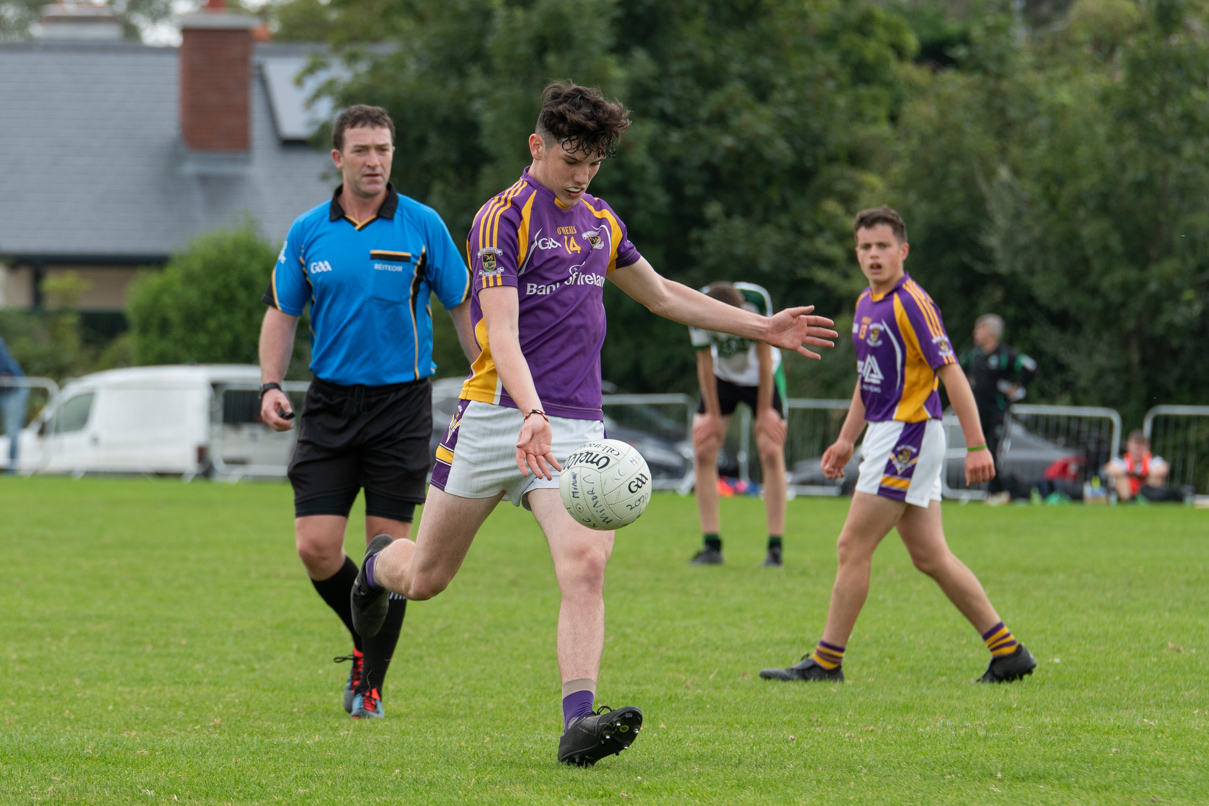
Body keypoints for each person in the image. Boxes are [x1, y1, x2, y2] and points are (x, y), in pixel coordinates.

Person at [348, 82, 837, 766]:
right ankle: (374, 566)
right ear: (536, 146)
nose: (580, 177)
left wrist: (763, 327)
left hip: (573, 432)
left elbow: (663, 296)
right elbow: (503, 334)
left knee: (584, 566)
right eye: (570, 160)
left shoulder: (600, 222)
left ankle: (578, 722)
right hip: (496, 418)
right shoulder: (502, 217)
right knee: (425, 576)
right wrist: (530, 413)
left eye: (593, 164)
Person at [258, 104, 478, 721]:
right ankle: (363, 634)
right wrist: (271, 383)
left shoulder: (423, 225)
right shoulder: (308, 232)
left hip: (400, 407)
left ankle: (371, 684)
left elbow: (463, 305)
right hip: (329, 404)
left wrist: (495, 380)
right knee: (316, 548)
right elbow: (282, 311)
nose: (375, 160)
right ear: (338, 159)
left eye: (383, 148)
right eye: (362, 150)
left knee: (393, 551)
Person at [759, 206, 1036, 686]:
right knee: (929, 555)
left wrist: (976, 445)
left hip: (908, 433)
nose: (873, 255)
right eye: (865, 247)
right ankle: (1007, 651)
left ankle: (826, 662)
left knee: (852, 544)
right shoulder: (867, 303)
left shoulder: (912, 302)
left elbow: (951, 372)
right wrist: (847, 438)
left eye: (883, 246)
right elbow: (869, 381)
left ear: (902, 250)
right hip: (890, 433)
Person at [687, 281, 789, 567]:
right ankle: (711, 545)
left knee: (770, 448)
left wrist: (765, 410)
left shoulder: (756, 298)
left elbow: (765, 353)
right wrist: (713, 418)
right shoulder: (695, 307)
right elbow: (705, 361)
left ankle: (775, 548)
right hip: (722, 378)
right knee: (704, 448)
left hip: (762, 377)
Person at [961, 314, 1036, 504]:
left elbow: (1030, 366)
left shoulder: (1005, 355)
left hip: (997, 412)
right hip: (977, 413)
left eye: (980, 329)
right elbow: (958, 368)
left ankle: (998, 492)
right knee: (980, 449)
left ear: (991, 332)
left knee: (993, 451)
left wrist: (1018, 389)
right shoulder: (974, 354)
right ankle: (992, 492)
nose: (975, 333)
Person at [1104, 430, 1186, 503]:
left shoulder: (1153, 459)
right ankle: (1128, 501)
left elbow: (1164, 468)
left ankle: (1151, 498)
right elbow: (1109, 468)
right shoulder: (1121, 460)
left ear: (1147, 447)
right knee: (1120, 478)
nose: (1138, 449)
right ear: (1128, 445)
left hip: (1148, 489)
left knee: (1155, 478)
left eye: (1141, 445)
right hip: (1127, 490)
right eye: (1136, 445)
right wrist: (1129, 474)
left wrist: (1146, 474)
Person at [0, 334, 29, 472]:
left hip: (14, 390)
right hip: (2, 390)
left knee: (12, 431)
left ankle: (12, 467)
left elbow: (5, 372)